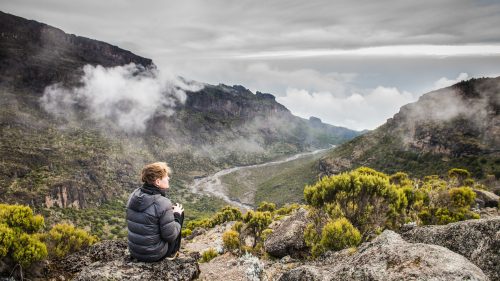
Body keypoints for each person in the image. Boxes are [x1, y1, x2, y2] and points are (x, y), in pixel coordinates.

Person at [126, 162, 184, 262]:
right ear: (157, 182)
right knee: (179, 211)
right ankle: (172, 253)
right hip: (153, 255)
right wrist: (177, 215)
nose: (168, 178)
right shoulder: (163, 203)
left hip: (134, 251)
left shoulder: (133, 195)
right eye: (166, 177)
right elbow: (170, 236)